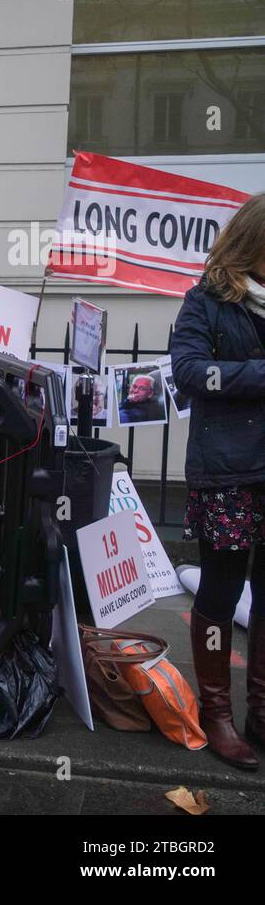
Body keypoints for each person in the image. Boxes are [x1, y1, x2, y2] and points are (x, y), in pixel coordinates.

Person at [170, 191, 265, 771]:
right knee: (221, 591)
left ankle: (261, 709)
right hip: (228, 470)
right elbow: (187, 372)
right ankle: (217, 713)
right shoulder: (207, 299)